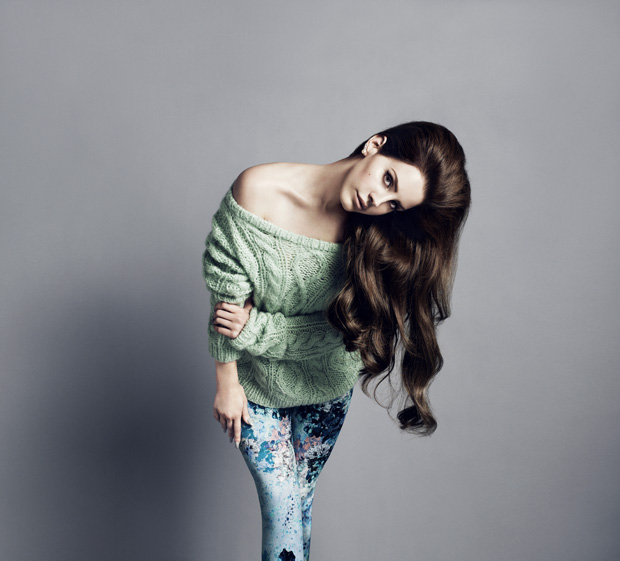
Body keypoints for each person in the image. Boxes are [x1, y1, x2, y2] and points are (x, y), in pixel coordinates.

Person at [202, 121, 471, 561]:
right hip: (254, 389)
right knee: (283, 508)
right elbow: (226, 296)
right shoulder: (258, 189)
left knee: (300, 505)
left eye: (394, 203)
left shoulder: (376, 239)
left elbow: (342, 335)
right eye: (388, 179)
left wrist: (256, 330)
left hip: (326, 387)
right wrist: (226, 382)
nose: (377, 201)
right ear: (375, 145)